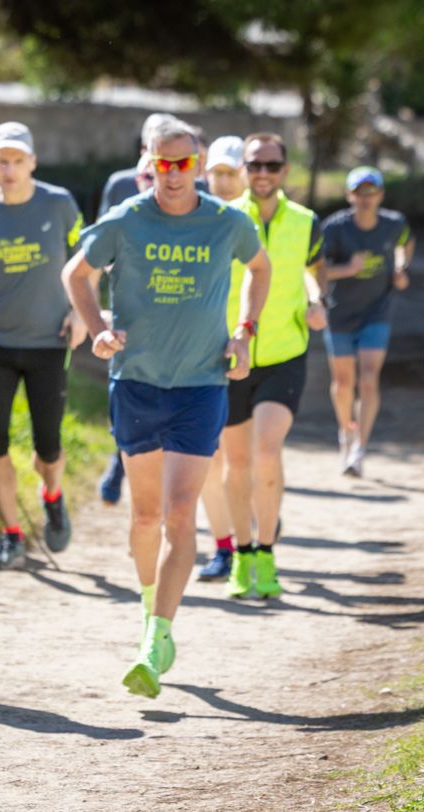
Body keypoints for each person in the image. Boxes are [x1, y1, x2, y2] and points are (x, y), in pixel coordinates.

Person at [63, 118, 270, 699]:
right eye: (163, 163)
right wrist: (97, 330)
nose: (173, 175)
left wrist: (244, 331)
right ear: (148, 163)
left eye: (183, 164)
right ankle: (150, 605)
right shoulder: (126, 219)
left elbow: (260, 268)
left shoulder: (227, 222)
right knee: (145, 517)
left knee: (181, 514)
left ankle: (156, 638)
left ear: (198, 165)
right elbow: (75, 274)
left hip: (201, 386)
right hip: (136, 383)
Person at [0, 122, 86, 569]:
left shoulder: (59, 203)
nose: (9, 169)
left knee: (49, 447)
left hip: (50, 341)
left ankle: (52, 494)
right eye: (2, 161)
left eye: (17, 161)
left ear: (32, 162)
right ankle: (11, 535)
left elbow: (89, 258)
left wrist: (81, 312)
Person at [220, 133, 326, 601]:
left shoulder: (306, 221)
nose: (262, 173)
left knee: (266, 451)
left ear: (285, 170)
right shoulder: (222, 217)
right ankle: (241, 555)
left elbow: (313, 270)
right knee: (237, 461)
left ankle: (266, 551)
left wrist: (317, 300)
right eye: (254, 165)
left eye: (271, 165)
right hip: (229, 356)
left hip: (285, 353)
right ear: (243, 170)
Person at [95, 114, 208, 506]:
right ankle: (120, 460)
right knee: (131, 384)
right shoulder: (120, 185)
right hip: (130, 305)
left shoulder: (195, 186)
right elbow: (99, 247)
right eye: (152, 147)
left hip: (180, 306)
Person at [321, 166, 415, 478]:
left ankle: (360, 448)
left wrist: (401, 268)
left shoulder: (394, 224)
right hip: (339, 314)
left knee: (369, 378)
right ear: (349, 195)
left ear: (380, 195)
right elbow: (316, 270)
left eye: (371, 191)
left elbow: (406, 243)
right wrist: (347, 269)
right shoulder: (335, 228)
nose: (365, 198)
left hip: (377, 312)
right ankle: (345, 433)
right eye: (359, 192)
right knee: (343, 383)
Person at [193, 135, 245, 582]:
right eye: (217, 173)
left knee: (243, 458)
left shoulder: (253, 223)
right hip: (200, 353)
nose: (224, 182)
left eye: (231, 172)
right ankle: (224, 545)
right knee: (210, 458)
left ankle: (250, 537)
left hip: (249, 352)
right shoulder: (192, 219)